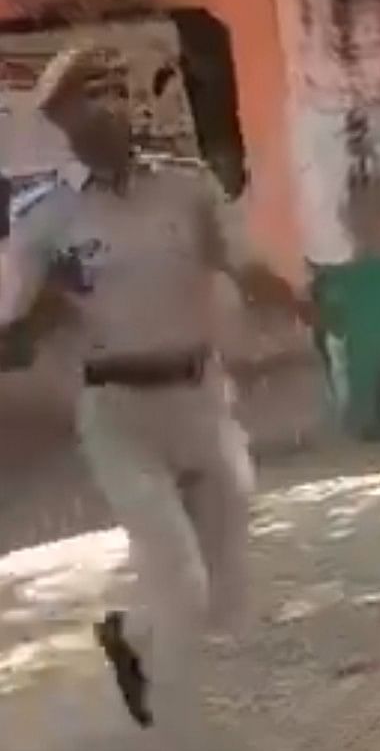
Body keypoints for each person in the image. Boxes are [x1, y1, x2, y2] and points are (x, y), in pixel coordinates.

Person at [0, 45, 313, 749]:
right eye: (92, 96)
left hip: (201, 399)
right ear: (62, 119)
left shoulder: (188, 186)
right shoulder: (46, 220)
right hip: (119, 414)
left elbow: (244, 263)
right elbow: (12, 325)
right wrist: (42, 309)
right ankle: (179, 731)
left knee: (226, 592)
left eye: (118, 89)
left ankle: (129, 636)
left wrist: (305, 308)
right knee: (179, 575)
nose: (113, 106)